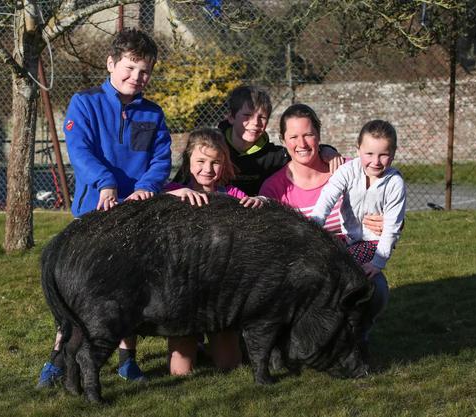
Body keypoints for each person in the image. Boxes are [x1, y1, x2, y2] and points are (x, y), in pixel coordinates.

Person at [37, 27, 171, 388]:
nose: (135, 77)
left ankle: (128, 359)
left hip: (137, 213)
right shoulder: (85, 102)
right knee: (81, 292)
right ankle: (58, 358)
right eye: (129, 68)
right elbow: (80, 150)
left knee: (129, 290)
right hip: (94, 211)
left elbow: (160, 160)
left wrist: (145, 189)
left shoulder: (153, 113)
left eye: (144, 71)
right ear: (111, 64)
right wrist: (105, 182)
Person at [259, 104, 388, 360]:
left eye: (307, 134)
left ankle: (357, 336)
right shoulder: (273, 187)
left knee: (376, 287)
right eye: (293, 136)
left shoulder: (350, 170)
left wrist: (386, 223)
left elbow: (390, 208)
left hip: (350, 256)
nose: (302, 143)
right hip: (303, 267)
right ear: (283, 140)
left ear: (318, 135)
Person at [165, 127, 264, 375]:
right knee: (180, 372)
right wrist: (173, 195)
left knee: (230, 365)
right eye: (200, 161)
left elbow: (258, 209)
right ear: (188, 160)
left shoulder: (230, 195)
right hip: (183, 291)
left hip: (221, 292)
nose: (207, 169)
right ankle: (190, 342)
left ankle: (212, 345)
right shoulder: (172, 191)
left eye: (216, 162)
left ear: (225, 164)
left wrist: (260, 202)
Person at [174, 85, 344, 196]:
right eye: (247, 116)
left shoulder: (274, 156)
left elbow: (301, 150)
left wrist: (326, 150)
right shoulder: (210, 146)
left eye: (262, 117)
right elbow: (178, 184)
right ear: (232, 117)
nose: (255, 123)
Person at [311, 119, 406, 278]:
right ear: (358, 149)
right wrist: (314, 225)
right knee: (318, 257)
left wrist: (377, 263)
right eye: (369, 154)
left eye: (383, 155)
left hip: (374, 243)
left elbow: (392, 227)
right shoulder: (348, 170)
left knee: (343, 265)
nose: (375, 161)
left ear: (394, 152)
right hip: (348, 238)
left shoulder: (394, 183)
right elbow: (327, 197)